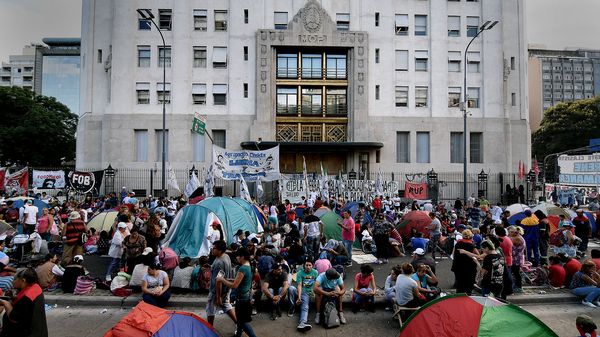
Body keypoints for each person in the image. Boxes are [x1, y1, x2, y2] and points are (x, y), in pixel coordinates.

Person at [217, 248, 258, 337]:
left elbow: (234, 286)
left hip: (241, 298)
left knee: (242, 322)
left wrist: (222, 279)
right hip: (246, 296)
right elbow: (240, 280)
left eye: (238, 257)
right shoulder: (249, 266)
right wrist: (228, 279)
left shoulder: (242, 268)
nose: (237, 259)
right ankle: (238, 335)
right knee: (240, 320)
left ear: (242, 257)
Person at [0, 268, 48, 337]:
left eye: (15, 279)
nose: (12, 282)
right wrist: (13, 298)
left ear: (23, 280)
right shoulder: (35, 287)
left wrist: (5, 303)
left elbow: (14, 318)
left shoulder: (27, 297)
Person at [206, 240, 236, 327]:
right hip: (226, 288)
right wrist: (211, 267)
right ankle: (239, 324)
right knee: (226, 305)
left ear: (220, 250)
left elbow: (218, 281)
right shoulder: (226, 256)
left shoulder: (219, 263)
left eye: (214, 248)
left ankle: (209, 328)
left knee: (210, 309)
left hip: (217, 291)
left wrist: (218, 296)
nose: (212, 249)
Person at [290, 259, 318, 332]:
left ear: (312, 266)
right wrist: (299, 297)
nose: (308, 267)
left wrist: (314, 293)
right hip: (303, 292)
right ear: (304, 266)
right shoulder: (300, 273)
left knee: (306, 305)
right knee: (291, 289)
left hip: (311, 293)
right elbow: (299, 285)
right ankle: (302, 323)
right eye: (306, 265)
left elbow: (316, 284)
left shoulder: (315, 272)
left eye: (310, 265)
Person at [451, 229, 479, 295]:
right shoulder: (471, 245)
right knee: (468, 285)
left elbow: (453, 254)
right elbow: (478, 255)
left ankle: (459, 298)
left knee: (460, 284)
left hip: (458, 266)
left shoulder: (458, 243)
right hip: (469, 267)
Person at [508, 226, 526, 293]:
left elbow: (509, 242)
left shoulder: (517, 238)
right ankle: (517, 286)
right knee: (516, 273)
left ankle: (518, 287)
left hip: (516, 259)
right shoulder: (518, 237)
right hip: (517, 258)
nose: (509, 234)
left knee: (516, 273)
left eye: (510, 232)